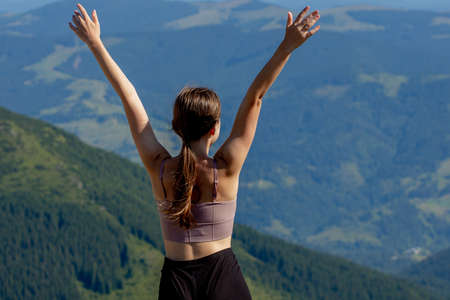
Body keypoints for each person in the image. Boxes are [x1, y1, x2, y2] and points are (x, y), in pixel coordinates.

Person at [69, 3, 320, 299]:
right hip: (223, 277)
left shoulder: (159, 168)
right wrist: (286, 47)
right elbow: (256, 97)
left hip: (176, 282)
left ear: (176, 127)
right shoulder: (225, 168)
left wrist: (95, 43)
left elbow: (129, 97)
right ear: (214, 129)